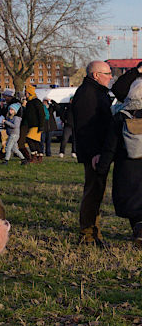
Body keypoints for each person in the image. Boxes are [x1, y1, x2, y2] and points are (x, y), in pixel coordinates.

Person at [96, 71, 142, 248]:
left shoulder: (120, 117)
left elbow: (110, 146)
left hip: (127, 168)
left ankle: (138, 228)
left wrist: (102, 168)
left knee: (133, 203)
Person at [71, 60, 114, 247]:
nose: (111, 77)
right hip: (94, 154)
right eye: (108, 73)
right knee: (93, 192)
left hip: (98, 151)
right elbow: (86, 128)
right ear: (96, 75)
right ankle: (88, 234)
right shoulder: (89, 94)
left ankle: (93, 232)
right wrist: (95, 152)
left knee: (97, 191)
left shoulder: (94, 92)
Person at [20, 84, 45, 163]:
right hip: (31, 125)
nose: (25, 95)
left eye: (26, 93)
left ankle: (34, 156)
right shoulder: (29, 102)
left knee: (30, 139)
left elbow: (41, 114)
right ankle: (38, 156)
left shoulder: (36, 102)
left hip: (36, 125)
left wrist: (41, 125)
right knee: (35, 141)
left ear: (30, 93)